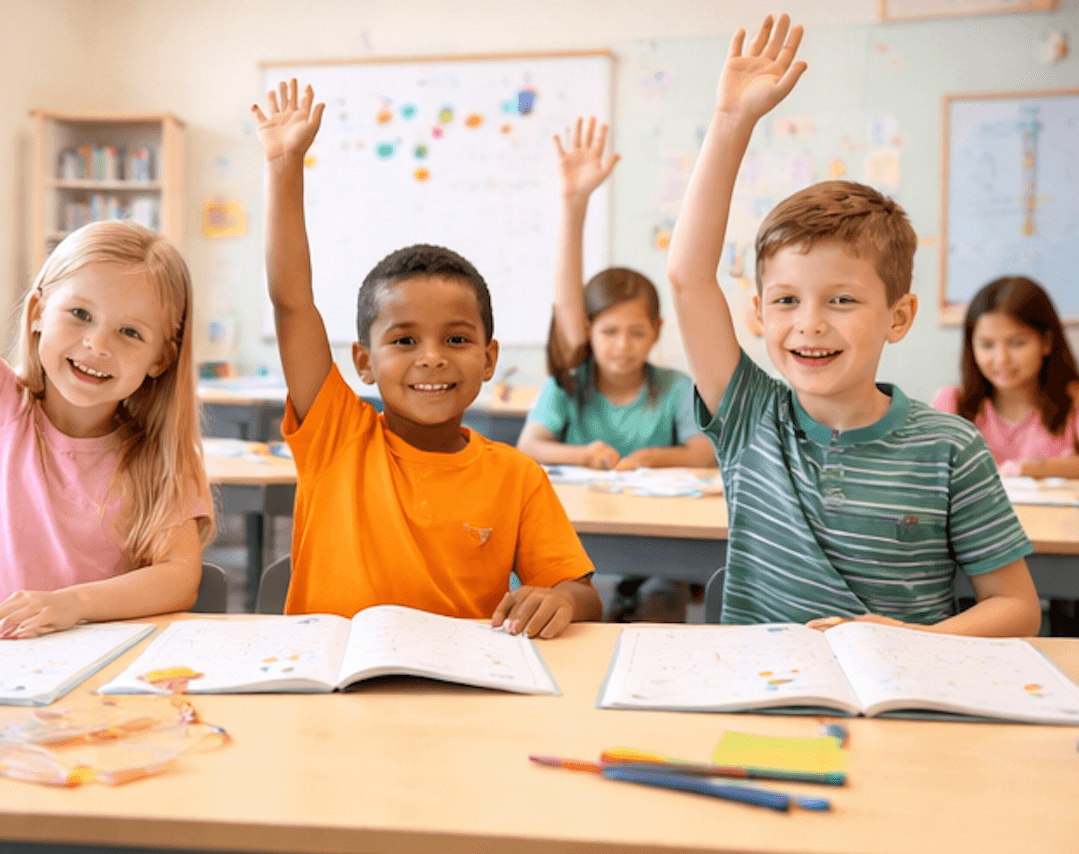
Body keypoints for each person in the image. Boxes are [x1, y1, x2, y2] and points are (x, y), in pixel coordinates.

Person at [665, 14, 1039, 636]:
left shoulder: (950, 449)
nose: (809, 325)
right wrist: (731, 123)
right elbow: (688, 279)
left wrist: (912, 643)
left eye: (841, 301)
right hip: (766, 695)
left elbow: (1019, 608)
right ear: (757, 313)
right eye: (786, 301)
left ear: (899, 317)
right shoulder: (750, 416)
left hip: (901, 701)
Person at [254, 79, 601, 638]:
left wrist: (559, 600)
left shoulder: (516, 476)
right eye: (405, 340)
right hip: (332, 695)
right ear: (363, 362)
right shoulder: (337, 438)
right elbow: (292, 304)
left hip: (460, 693)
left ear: (490, 358)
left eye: (457, 340)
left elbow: (579, 592)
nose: (433, 359)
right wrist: (283, 165)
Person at [0, 28, 213, 639]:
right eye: (80, 315)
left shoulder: (158, 457)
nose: (98, 345)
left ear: (160, 358)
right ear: (40, 310)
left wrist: (71, 604)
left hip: (82, 684)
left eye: (130, 332)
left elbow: (180, 576)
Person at [516, 117, 715, 622]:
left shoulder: (674, 388)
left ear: (656, 330)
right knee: (590, 597)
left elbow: (703, 451)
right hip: (583, 541)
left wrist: (650, 457)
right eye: (608, 332)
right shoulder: (569, 383)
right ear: (588, 330)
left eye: (636, 333)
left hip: (660, 539)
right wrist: (584, 454)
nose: (622, 346)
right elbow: (529, 447)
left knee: (661, 602)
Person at [933, 276, 1079, 480]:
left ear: (1046, 342)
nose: (1002, 359)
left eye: (1017, 343)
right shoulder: (952, 403)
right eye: (987, 345)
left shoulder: (1074, 401)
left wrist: (1026, 469)